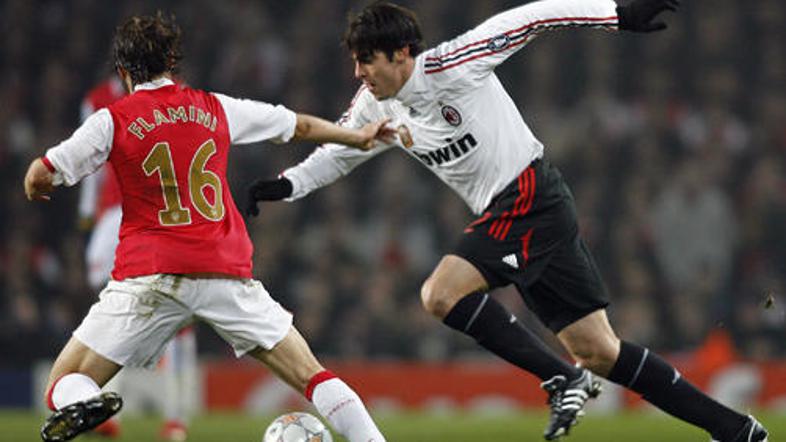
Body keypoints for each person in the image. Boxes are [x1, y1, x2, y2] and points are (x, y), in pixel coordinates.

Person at [244, 1, 769, 441]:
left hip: (527, 195)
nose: (359, 72)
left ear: (402, 53)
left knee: (439, 294)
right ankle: (737, 430)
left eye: (367, 61)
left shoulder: (452, 64)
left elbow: (535, 15)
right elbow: (342, 152)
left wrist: (617, 14)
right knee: (600, 351)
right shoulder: (373, 106)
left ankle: (562, 380)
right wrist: (287, 185)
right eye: (356, 63)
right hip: (521, 211)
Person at [24, 12, 389, 442]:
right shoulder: (215, 107)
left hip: (149, 275)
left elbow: (43, 171)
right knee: (311, 375)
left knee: (63, 381)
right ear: (171, 62)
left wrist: (36, 186)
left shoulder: (113, 119)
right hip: (223, 271)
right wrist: (358, 137)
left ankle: (85, 403)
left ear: (123, 72)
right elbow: (298, 126)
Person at [78, 76, 198, 441]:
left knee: (130, 312)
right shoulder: (98, 99)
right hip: (134, 215)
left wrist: (86, 214)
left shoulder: (174, 95)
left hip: (144, 216)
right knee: (161, 315)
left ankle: (170, 415)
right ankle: (169, 417)